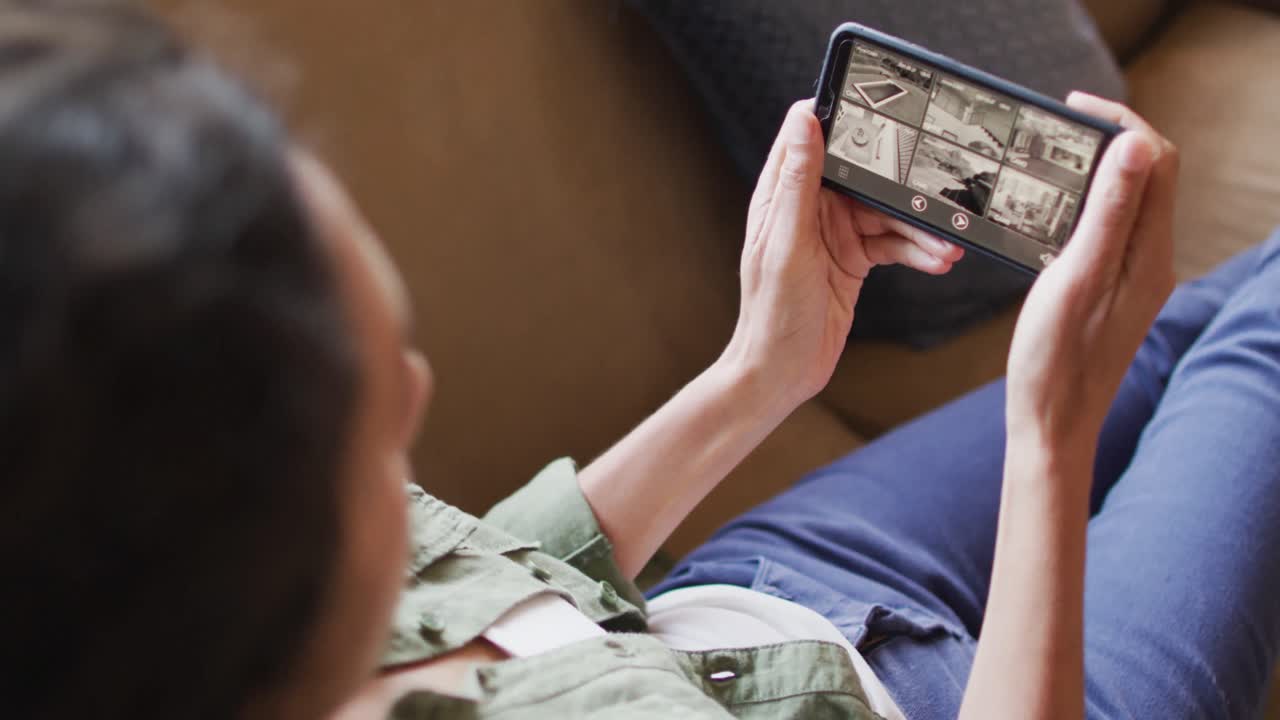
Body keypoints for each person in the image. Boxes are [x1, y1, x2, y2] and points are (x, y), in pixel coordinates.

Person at [3, 3, 1277, 719]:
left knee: (1187, 312)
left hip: (749, 603)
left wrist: (760, 372)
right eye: (372, 420)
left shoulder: (156, 497)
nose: (416, 391)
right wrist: (1044, 438)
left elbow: (485, 585)